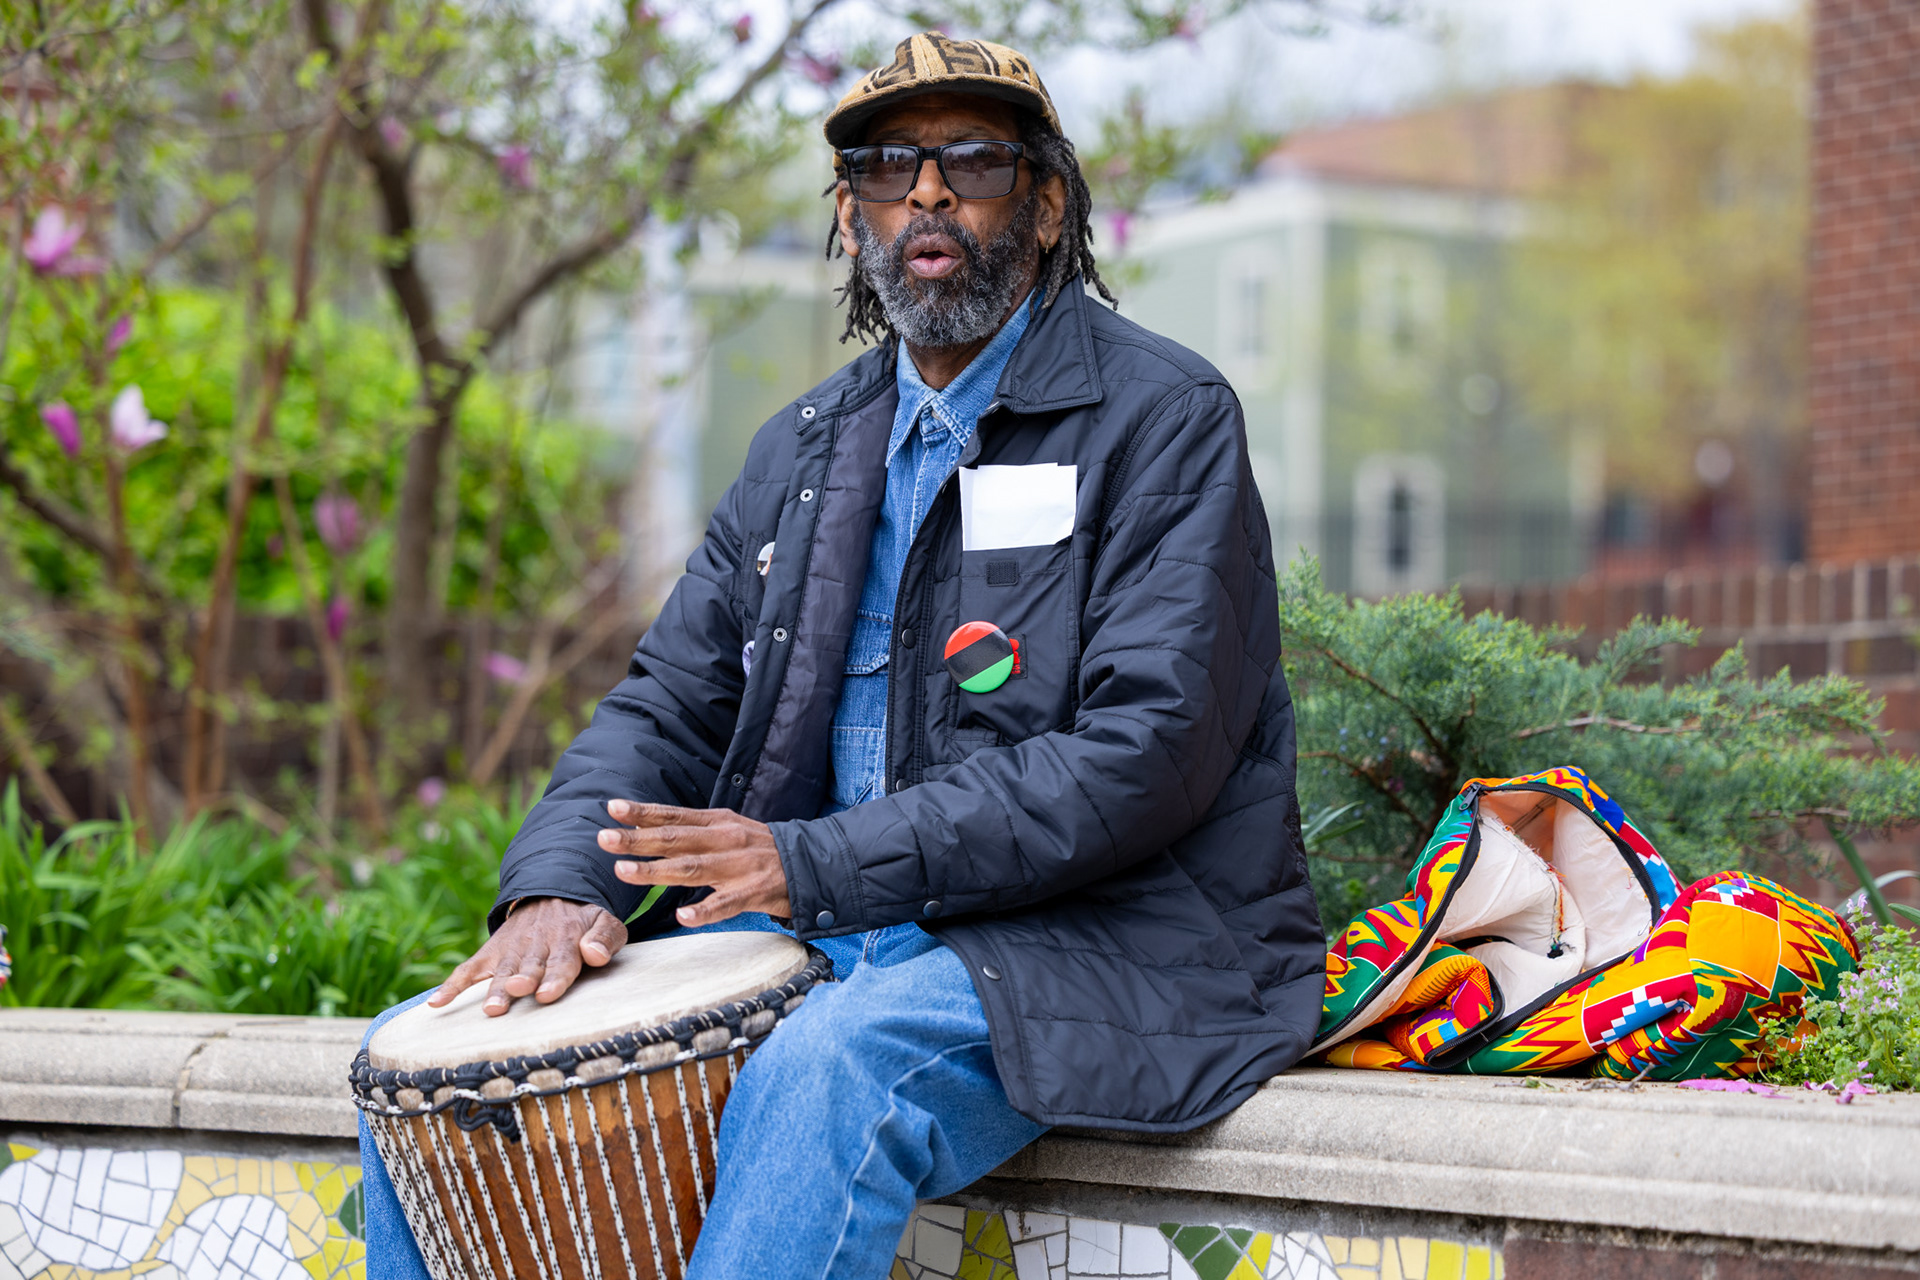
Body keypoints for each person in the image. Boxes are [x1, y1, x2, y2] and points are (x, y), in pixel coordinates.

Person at [358, 31, 1324, 1280]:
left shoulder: (1162, 419)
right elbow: (666, 703)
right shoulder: (803, 449)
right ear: (848, 213)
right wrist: (558, 883)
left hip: (1101, 943)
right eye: (884, 167)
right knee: (429, 1060)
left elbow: (1147, 751)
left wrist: (809, 862)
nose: (927, 194)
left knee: (829, 1065)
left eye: (973, 161)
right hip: (837, 937)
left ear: (1045, 206)